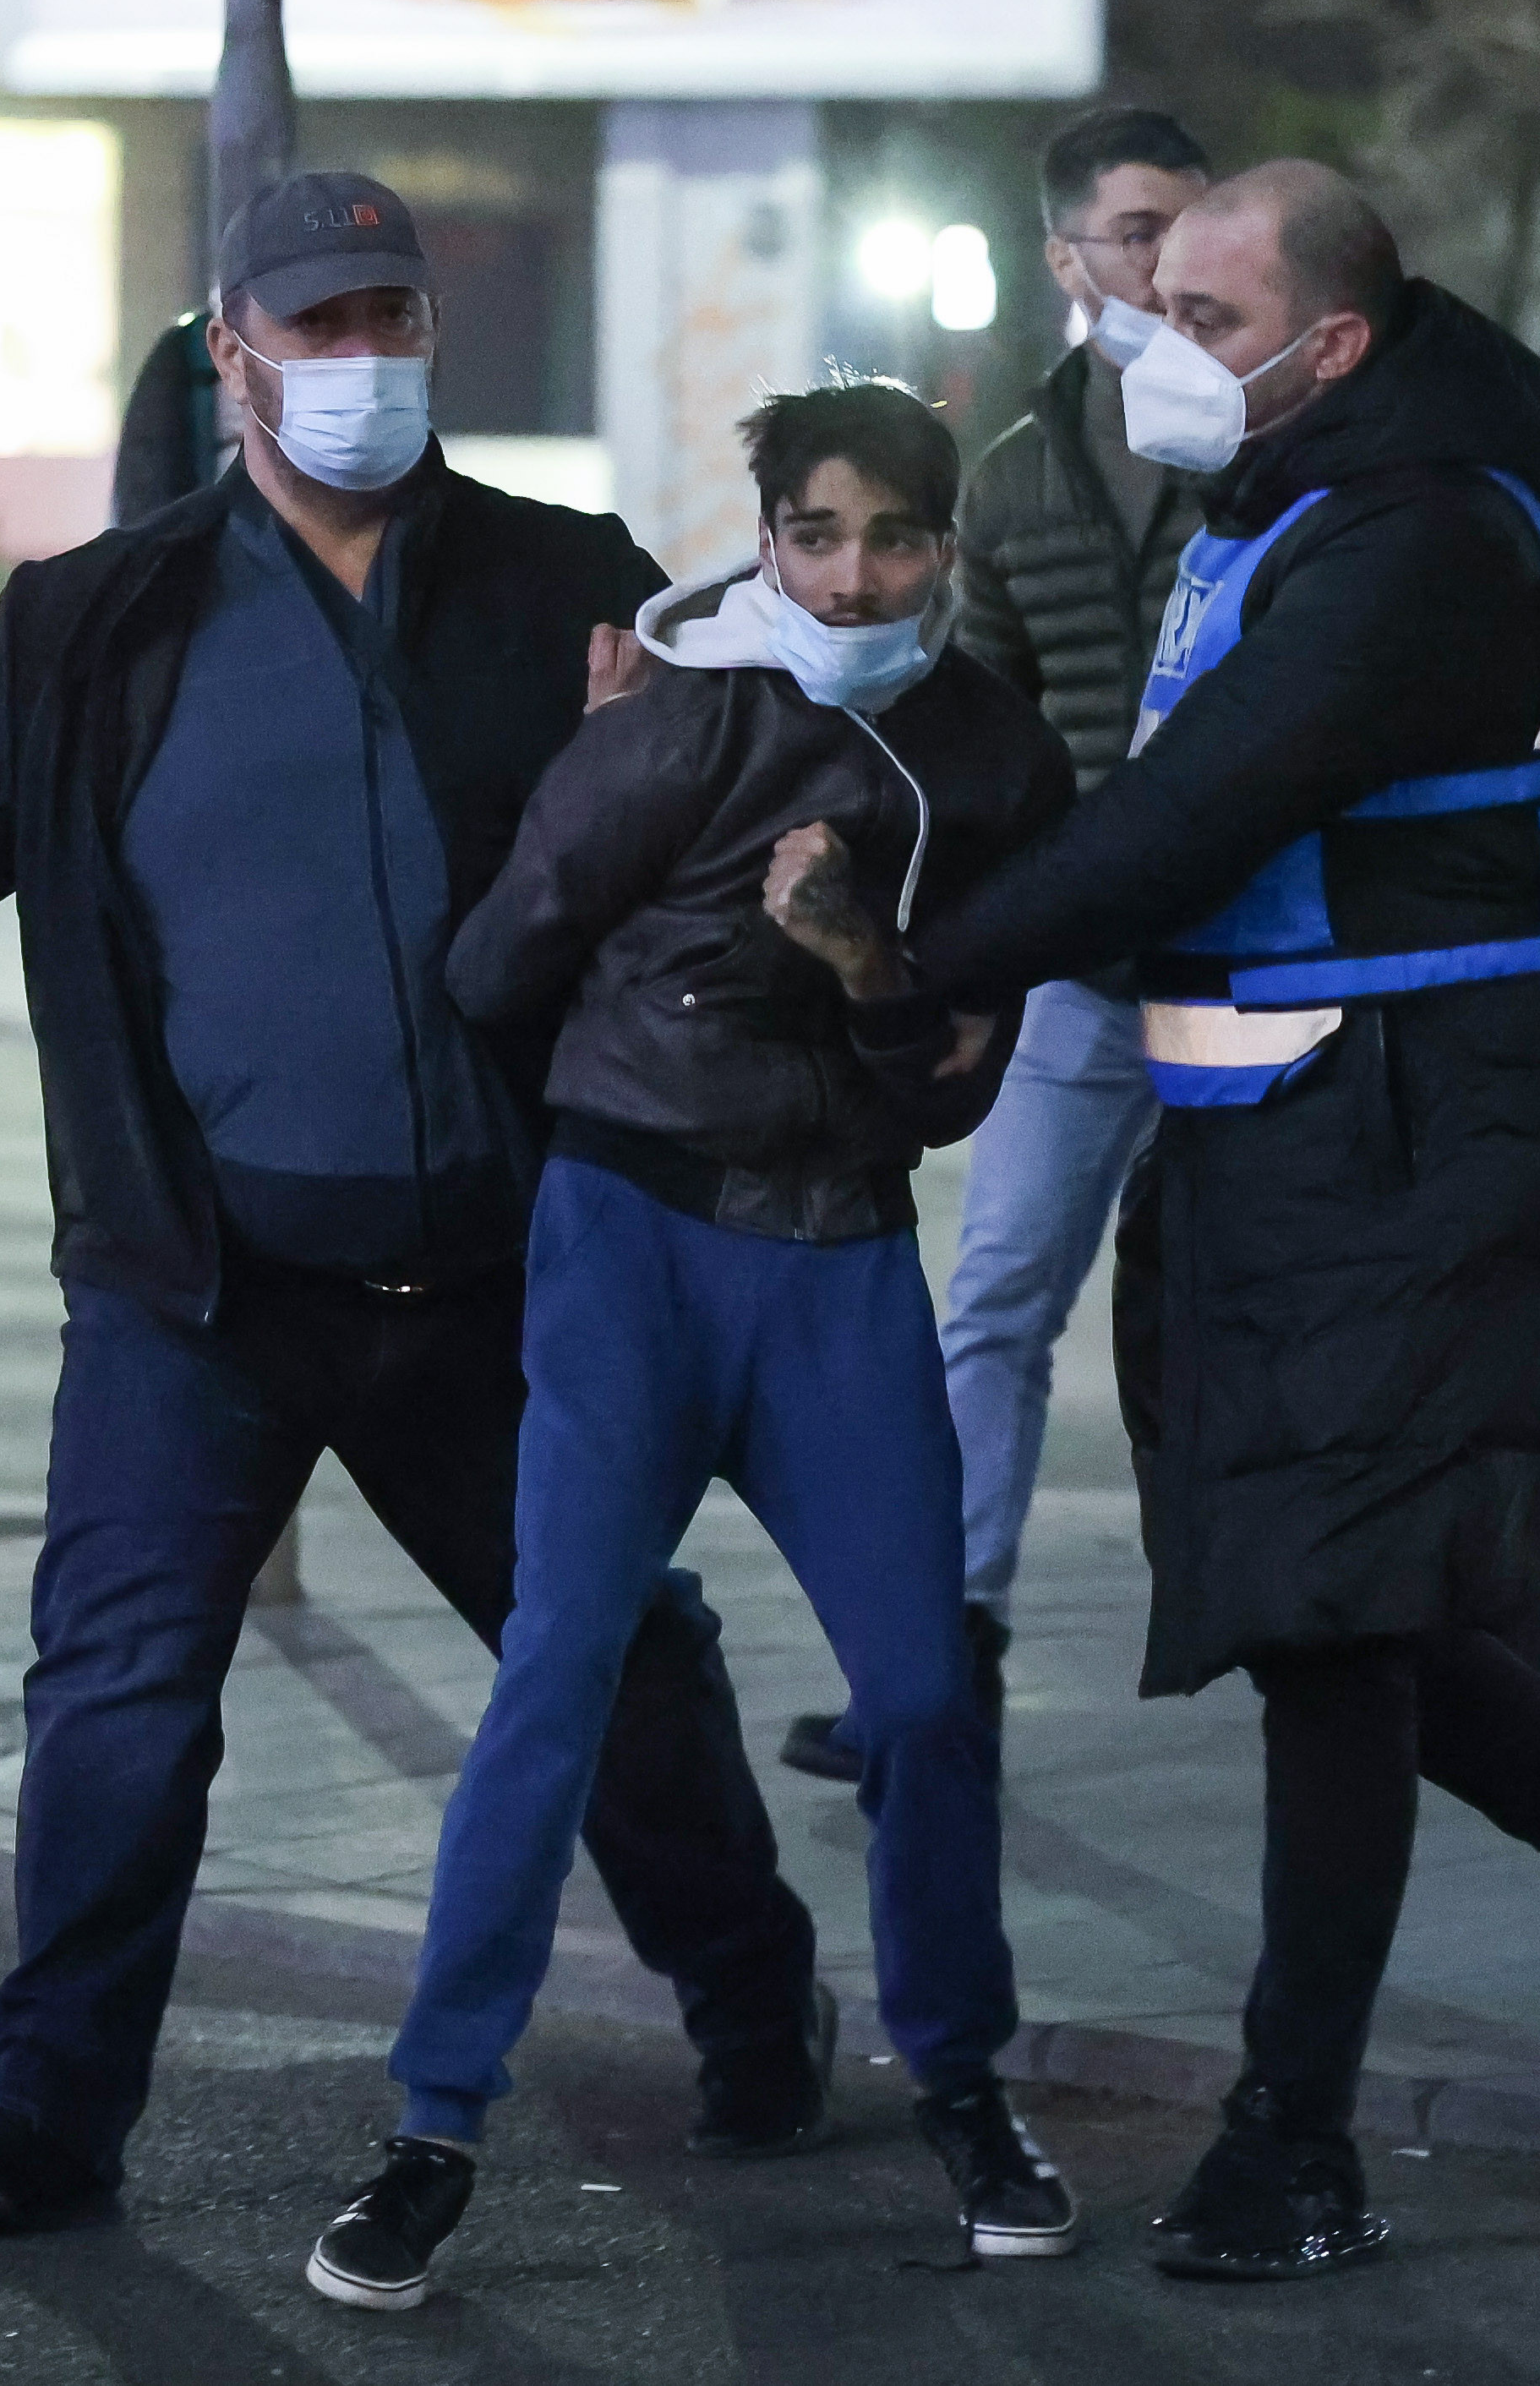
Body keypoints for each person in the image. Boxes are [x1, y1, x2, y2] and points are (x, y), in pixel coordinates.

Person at [0, 173, 825, 2234]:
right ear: (231, 352)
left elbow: (735, 848)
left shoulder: (573, 591)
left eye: (388, 311)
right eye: (315, 319)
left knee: (613, 1654)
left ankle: (752, 2000)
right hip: (194, 1285)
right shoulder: (93, 622)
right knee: (112, 1687)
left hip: (493, 1271)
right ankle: (47, 2109)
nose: (357, 353)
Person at [893, 161, 1540, 2282]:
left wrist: (922, 964)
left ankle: (1290, 2141)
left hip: (1451, 1126)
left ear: (1330, 346)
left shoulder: (1426, 541)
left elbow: (1196, 812)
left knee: (1335, 1622)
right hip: (1287, 1125)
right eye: (1141, 294)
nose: (1142, 339)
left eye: (1198, 309)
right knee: (1323, 1601)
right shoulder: (1275, 507)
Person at [303, 380, 1080, 2314]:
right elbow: (494, 965)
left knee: (916, 1690)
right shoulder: (682, 712)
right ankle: (431, 2125)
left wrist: (856, 965)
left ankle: (963, 2086)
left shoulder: (984, 755)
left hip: (831, 1260)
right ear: (760, 537)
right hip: (629, 1240)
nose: (852, 573)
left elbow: (946, 1099)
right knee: (556, 1662)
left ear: (945, 551)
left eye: (894, 537)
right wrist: (663, 976)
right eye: (813, 535)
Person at [783, 106, 1213, 1788]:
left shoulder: (1262, 446)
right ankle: (937, 1647)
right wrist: (963, 959)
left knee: (1240, 1319)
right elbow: (998, 742)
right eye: (1134, 235)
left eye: (1186, 228)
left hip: (1263, 974)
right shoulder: (1019, 469)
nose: (1164, 265)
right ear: (1064, 261)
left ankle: (1323, 1638)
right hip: (1088, 983)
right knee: (991, 1302)